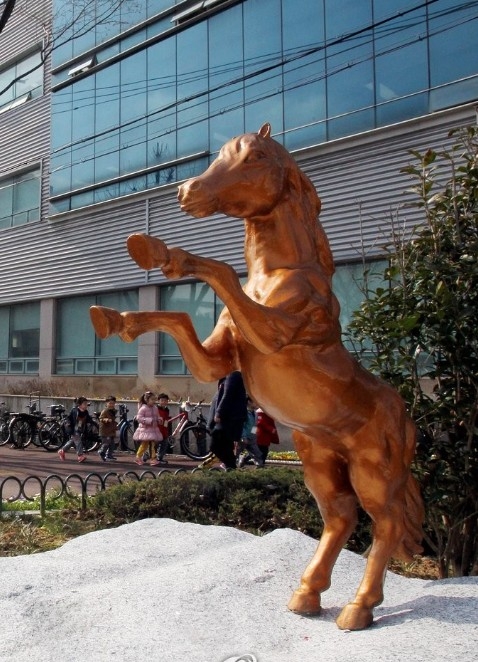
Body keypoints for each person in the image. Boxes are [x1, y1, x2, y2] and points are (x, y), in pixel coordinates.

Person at [203, 371, 247, 471]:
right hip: (228, 418)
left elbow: (227, 395)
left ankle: (231, 467)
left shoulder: (233, 375)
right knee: (226, 446)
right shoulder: (227, 377)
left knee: (215, 445)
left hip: (228, 419)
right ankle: (231, 468)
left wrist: (219, 413)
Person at [57, 396, 93, 463]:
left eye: (86, 404)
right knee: (78, 441)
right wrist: (68, 423)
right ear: (79, 405)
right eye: (84, 404)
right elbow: (68, 418)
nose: (86, 405)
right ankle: (80, 455)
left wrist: (90, 422)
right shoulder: (75, 410)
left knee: (72, 441)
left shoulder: (86, 412)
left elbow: (88, 419)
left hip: (80, 429)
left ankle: (62, 451)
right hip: (74, 429)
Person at [133, 391, 162, 466]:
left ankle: (153, 459)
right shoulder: (143, 408)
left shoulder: (155, 408)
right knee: (144, 445)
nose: (154, 401)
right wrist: (149, 420)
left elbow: (158, 416)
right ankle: (138, 457)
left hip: (153, 429)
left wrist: (159, 419)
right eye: (152, 399)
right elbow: (139, 418)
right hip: (145, 430)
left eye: (154, 399)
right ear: (146, 400)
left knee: (152, 445)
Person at [236, 396, 264, 468]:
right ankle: (231, 466)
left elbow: (255, 425)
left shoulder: (255, 413)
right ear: (249, 402)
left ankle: (260, 467)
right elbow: (241, 425)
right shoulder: (243, 412)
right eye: (255, 402)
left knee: (257, 454)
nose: (257, 404)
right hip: (242, 438)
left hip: (251, 438)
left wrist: (254, 435)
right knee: (236, 453)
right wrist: (243, 436)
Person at [97, 395, 118, 461]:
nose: (111, 405)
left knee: (112, 444)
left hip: (111, 430)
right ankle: (101, 452)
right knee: (106, 443)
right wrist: (106, 420)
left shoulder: (113, 411)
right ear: (106, 403)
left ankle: (109, 455)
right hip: (105, 431)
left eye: (113, 403)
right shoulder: (105, 411)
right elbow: (101, 418)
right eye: (110, 403)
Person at [156, 393, 171, 465]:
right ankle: (146, 455)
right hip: (156, 429)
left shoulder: (167, 410)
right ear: (158, 401)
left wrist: (166, 428)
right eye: (162, 400)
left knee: (164, 444)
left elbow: (166, 420)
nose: (163, 402)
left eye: (165, 400)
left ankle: (160, 458)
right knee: (154, 445)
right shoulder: (155, 409)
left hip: (164, 430)